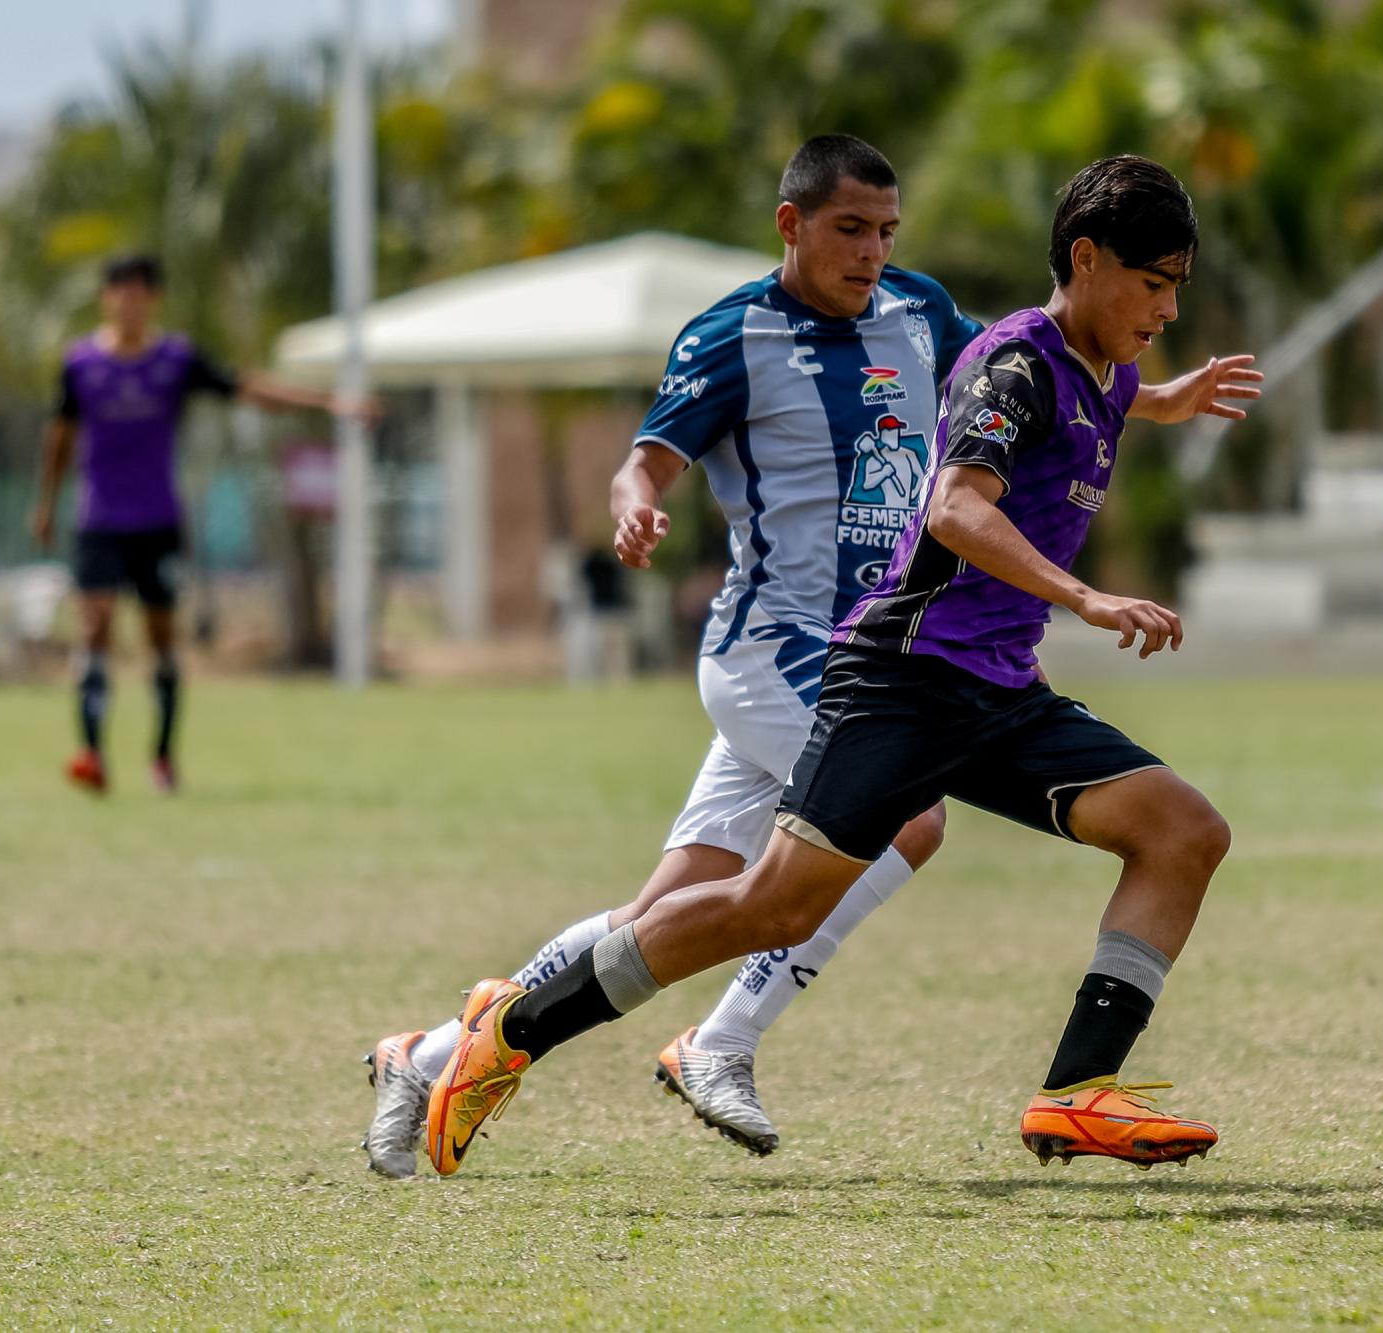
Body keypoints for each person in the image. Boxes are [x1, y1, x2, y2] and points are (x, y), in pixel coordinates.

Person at [361, 139, 1259, 1177]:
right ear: (1087, 258)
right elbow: (958, 500)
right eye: (1153, 286)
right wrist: (1084, 594)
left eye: (887, 230)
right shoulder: (929, 351)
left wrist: (1163, 396)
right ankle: (530, 1030)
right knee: (775, 904)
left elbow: (1040, 395)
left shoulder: (996, 337)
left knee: (1182, 832)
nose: (1167, 310)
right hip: (885, 675)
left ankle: (1075, 1092)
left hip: (996, 686)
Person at [29, 254, 371, 794]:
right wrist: (46, 502)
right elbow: (60, 435)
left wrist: (328, 402)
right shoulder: (80, 365)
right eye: (120, 292)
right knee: (94, 625)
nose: (129, 302)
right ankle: (91, 753)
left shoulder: (176, 360)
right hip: (99, 517)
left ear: (154, 299)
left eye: (140, 292)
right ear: (106, 299)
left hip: (157, 518)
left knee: (161, 638)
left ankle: (162, 758)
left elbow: (247, 387)